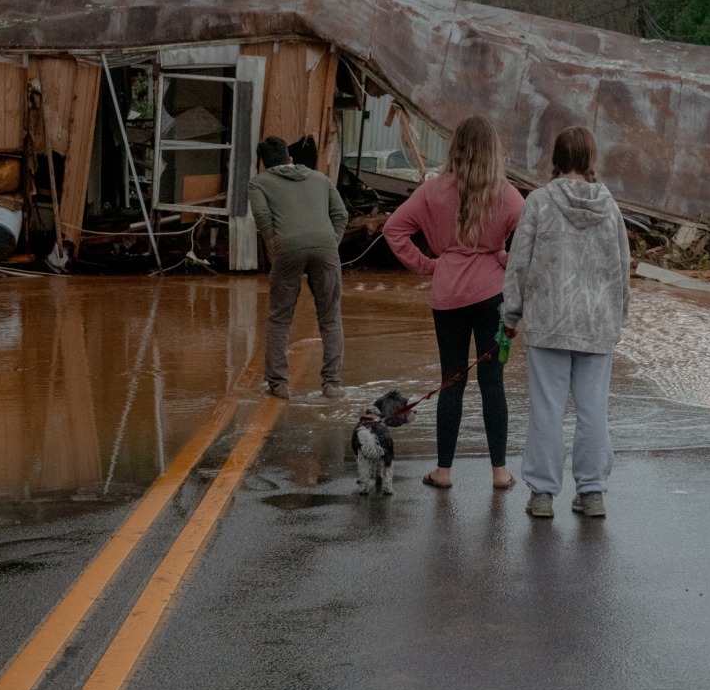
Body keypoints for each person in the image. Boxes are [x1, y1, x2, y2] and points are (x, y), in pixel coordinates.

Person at [383, 115, 524, 491]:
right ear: (493, 151)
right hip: (493, 296)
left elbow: (393, 229)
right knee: (492, 383)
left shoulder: (432, 191)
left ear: (455, 147)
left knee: (452, 381)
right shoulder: (507, 194)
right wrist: (503, 259)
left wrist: (428, 265)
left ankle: (443, 471)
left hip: (447, 296)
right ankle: (499, 472)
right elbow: (528, 247)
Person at [502, 125, 630, 519]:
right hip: (596, 323)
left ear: (556, 156)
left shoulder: (539, 202)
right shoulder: (610, 206)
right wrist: (618, 317)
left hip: (549, 321)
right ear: (591, 159)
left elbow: (519, 262)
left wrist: (510, 314)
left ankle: (542, 495)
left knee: (547, 408)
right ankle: (592, 493)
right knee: (593, 409)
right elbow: (622, 266)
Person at [248, 135, 349, 399]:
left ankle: (279, 384)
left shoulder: (259, 183)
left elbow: (262, 217)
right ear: (290, 159)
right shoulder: (321, 179)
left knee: (279, 318)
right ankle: (332, 384)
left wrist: (275, 247)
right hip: (326, 246)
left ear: (264, 165)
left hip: (287, 249)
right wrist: (330, 245)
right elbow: (341, 215)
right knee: (330, 317)